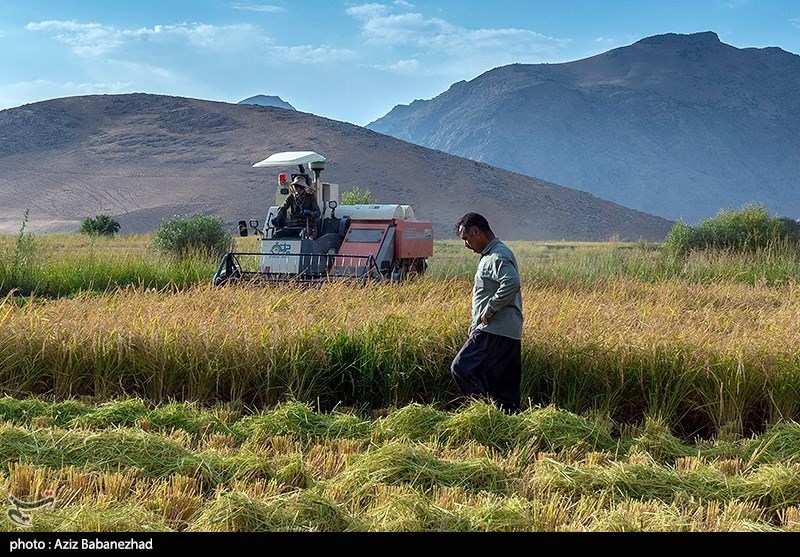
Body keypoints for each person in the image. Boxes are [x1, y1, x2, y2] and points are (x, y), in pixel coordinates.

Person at [450, 212, 523, 414]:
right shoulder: (496, 253)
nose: (465, 244)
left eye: (466, 238)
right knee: (503, 387)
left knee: (462, 367)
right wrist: (475, 323)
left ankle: (484, 414)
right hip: (509, 331)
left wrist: (489, 309)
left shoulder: (496, 256)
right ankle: (510, 427)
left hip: (494, 328)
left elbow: (512, 282)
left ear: (477, 231)